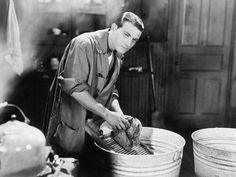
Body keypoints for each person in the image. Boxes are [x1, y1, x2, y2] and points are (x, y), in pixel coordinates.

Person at [43, 11, 144, 157]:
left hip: (93, 127)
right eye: (126, 35)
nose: (129, 43)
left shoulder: (118, 53)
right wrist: (107, 114)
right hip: (70, 124)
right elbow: (75, 89)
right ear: (114, 27)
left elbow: (110, 90)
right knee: (67, 166)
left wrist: (120, 116)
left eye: (134, 40)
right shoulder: (83, 44)